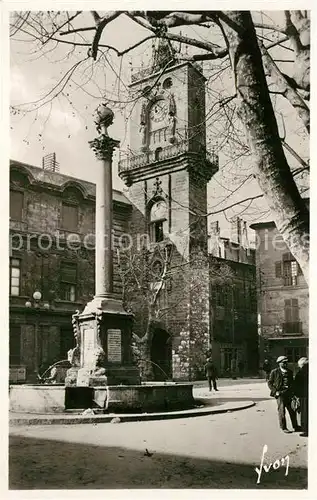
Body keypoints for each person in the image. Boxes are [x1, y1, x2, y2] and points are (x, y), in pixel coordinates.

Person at [268, 355, 300, 433]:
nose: (285, 364)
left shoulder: (289, 372)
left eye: (286, 362)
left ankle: (295, 426)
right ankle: (284, 427)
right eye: (283, 362)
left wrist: (293, 393)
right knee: (282, 411)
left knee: (292, 410)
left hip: (289, 394)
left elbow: (292, 383)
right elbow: (270, 383)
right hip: (280, 394)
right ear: (279, 363)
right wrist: (275, 391)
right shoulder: (274, 372)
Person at [293, 357, 308, 437]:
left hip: (303, 396)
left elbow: (296, 386)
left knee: (304, 414)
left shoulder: (300, 373)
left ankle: (306, 430)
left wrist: (296, 395)